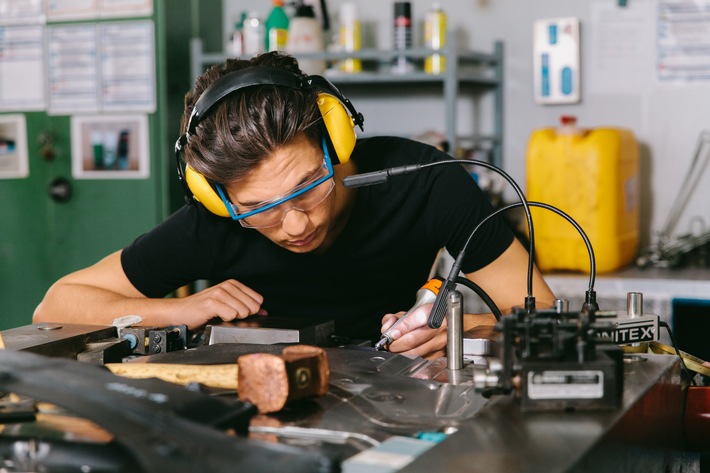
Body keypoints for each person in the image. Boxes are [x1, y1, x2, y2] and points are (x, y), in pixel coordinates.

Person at [33, 52, 555, 359]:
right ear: (215, 196)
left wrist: (458, 334)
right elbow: (55, 307)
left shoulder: (425, 182)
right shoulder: (215, 222)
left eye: (308, 184)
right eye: (258, 208)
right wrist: (178, 309)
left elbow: (540, 314)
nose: (296, 223)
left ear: (336, 140)